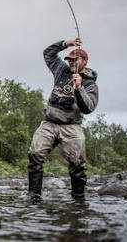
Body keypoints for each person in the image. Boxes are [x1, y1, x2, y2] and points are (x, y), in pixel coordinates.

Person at [28, 38, 98, 201]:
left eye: (75, 60)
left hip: (72, 127)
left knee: (77, 165)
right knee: (35, 153)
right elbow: (48, 53)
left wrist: (79, 88)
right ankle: (34, 195)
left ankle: (78, 200)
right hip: (49, 123)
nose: (71, 62)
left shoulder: (91, 85)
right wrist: (66, 43)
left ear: (85, 61)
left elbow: (88, 108)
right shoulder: (61, 70)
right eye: (69, 59)